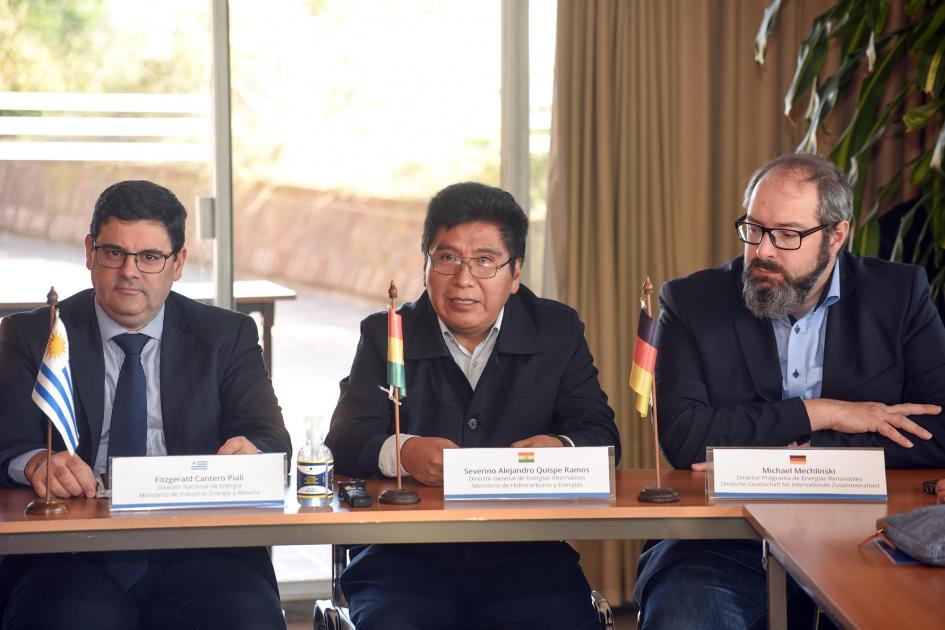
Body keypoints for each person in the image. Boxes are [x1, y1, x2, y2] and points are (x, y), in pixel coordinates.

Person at [632, 153, 945, 629]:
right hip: (723, 544)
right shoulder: (693, 301)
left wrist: (785, 456)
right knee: (685, 613)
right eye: (753, 229)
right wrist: (820, 413)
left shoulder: (898, 295)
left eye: (787, 235)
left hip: (868, 537)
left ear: (836, 236)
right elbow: (684, 437)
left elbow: (937, 430)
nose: (762, 251)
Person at [326, 182, 620, 629]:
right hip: (404, 559)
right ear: (426, 263)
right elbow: (344, 440)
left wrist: (561, 447)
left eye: (485, 261)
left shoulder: (556, 331)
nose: (464, 280)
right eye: (447, 259)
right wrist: (403, 451)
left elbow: (603, 439)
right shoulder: (387, 334)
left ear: (515, 272)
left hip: (526, 557)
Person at [0, 180, 292, 630]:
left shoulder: (225, 336)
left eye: (150, 258)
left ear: (177, 264)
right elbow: (6, 440)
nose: (129, 271)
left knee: (246, 619)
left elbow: (272, 438)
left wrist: (251, 450)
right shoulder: (35, 335)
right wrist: (36, 462)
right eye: (113, 252)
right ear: (89, 252)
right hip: (69, 553)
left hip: (201, 551)